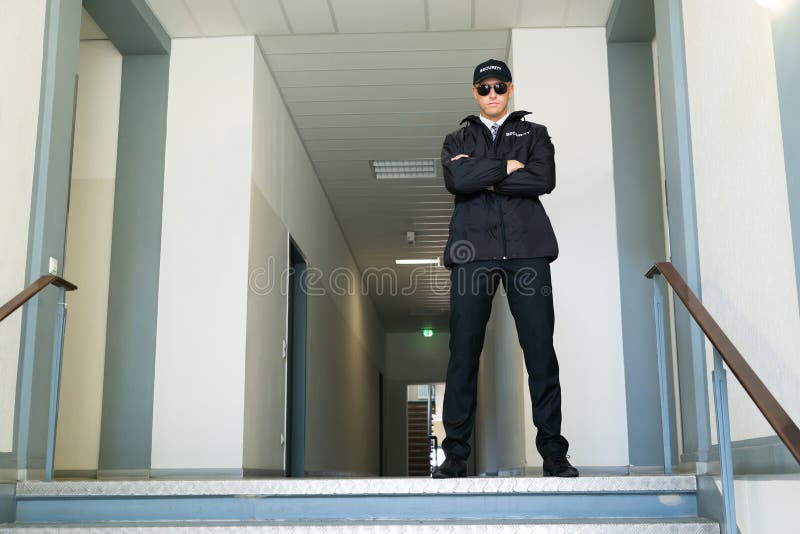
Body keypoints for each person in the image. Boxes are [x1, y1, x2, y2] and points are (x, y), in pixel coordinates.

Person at [432, 59, 578, 478]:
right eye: (484, 87)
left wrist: (481, 173)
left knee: (540, 352)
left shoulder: (534, 133)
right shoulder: (455, 138)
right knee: (463, 353)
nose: (492, 94)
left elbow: (542, 178)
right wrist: (507, 167)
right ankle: (455, 455)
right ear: (474, 92)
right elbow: (457, 182)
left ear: (510, 90)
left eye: (499, 86)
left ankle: (553, 453)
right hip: (472, 253)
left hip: (527, 251)